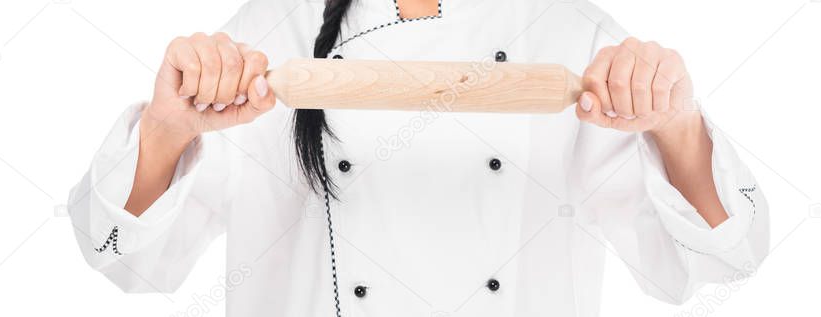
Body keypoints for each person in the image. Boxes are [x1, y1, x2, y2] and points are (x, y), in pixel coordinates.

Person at [67, 0, 769, 315]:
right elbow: (120, 257)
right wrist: (165, 128)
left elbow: (717, 263)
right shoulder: (268, 34)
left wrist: (674, 122)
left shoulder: (568, 36)